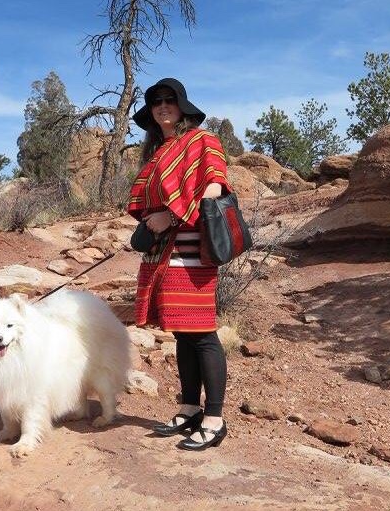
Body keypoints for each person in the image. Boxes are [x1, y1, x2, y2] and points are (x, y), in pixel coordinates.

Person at [127, 77, 230, 451]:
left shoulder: (204, 140)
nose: (163, 106)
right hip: (162, 252)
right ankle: (189, 408)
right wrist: (150, 225)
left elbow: (215, 185)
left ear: (182, 106)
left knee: (202, 332)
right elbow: (144, 203)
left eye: (170, 100)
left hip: (193, 250)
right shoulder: (156, 152)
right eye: (156, 102)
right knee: (182, 332)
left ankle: (215, 419)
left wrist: (169, 219)